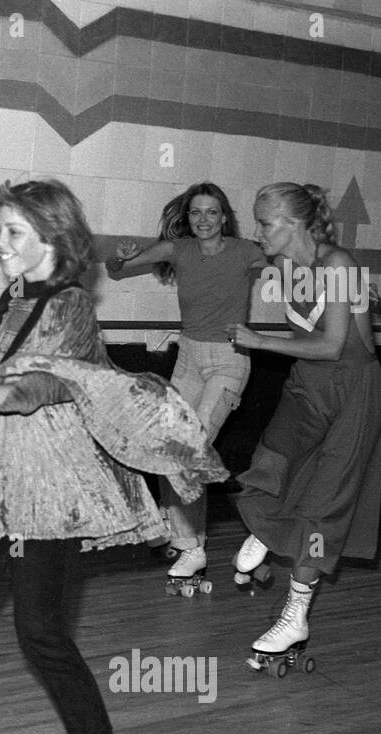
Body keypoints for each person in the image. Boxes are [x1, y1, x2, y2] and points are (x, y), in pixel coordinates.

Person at [0, 180, 227, 734]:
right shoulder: (15, 295)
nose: (0, 246)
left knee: (42, 636)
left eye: (14, 234)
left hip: (49, 492)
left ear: (53, 237)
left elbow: (43, 383)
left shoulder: (73, 303)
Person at [227, 182, 381, 669]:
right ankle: (269, 531)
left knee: (325, 508)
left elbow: (334, 346)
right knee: (270, 462)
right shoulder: (283, 265)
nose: (258, 232)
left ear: (294, 224)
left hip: (353, 393)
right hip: (308, 387)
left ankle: (295, 615)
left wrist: (259, 341)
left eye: (265, 222)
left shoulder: (338, 264)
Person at [107, 182, 265, 594]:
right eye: (196, 213)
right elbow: (115, 269)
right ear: (188, 217)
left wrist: (346, 294)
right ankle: (188, 545)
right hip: (189, 358)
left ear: (224, 216)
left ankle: (194, 545)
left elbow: (300, 269)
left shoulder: (247, 251)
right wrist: (119, 257)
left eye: (212, 212)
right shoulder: (177, 249)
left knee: (189, 451)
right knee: (171, 452)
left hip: (230, 360)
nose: (203, 220)